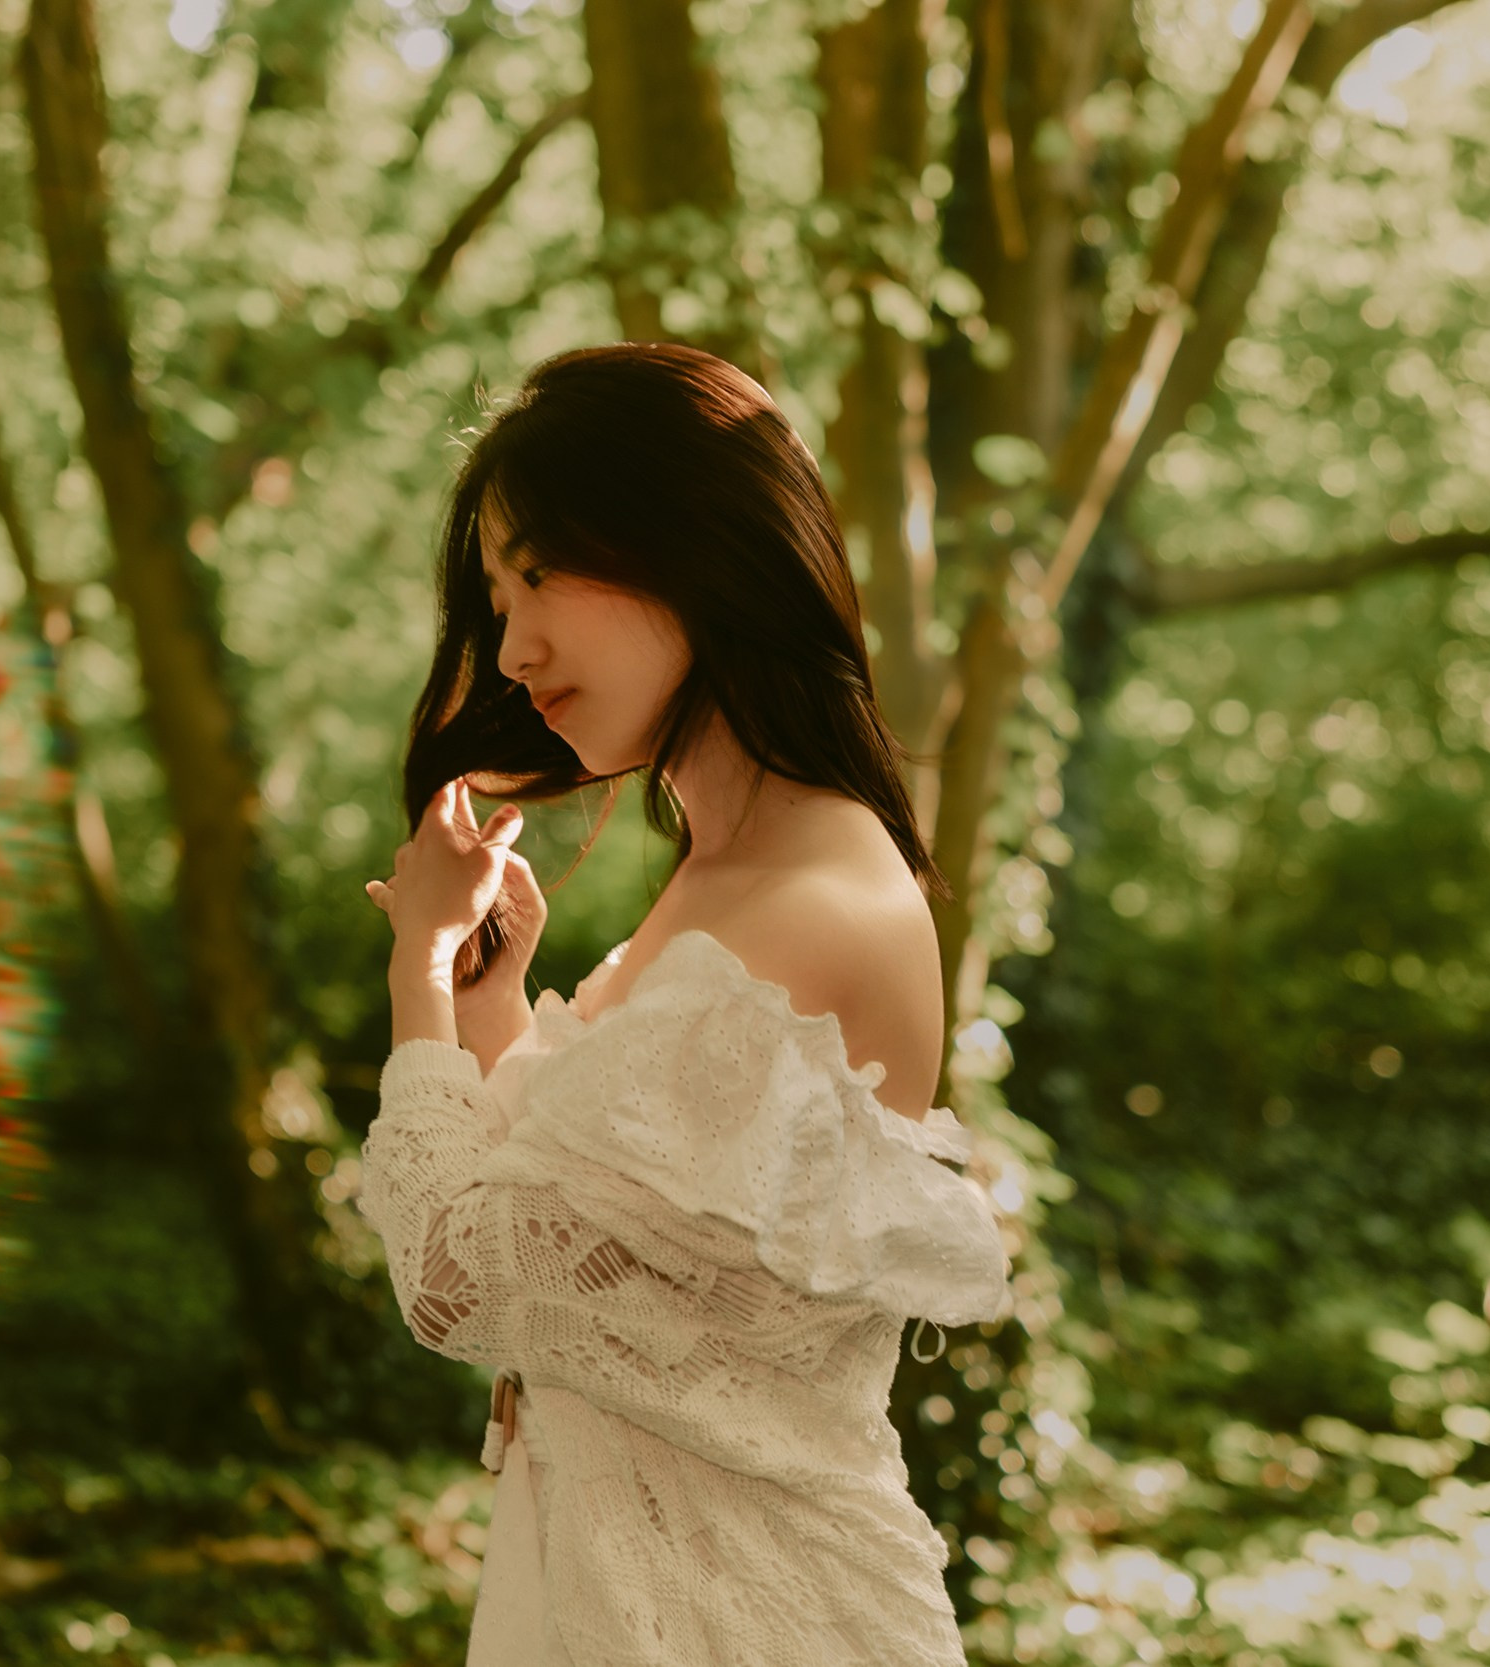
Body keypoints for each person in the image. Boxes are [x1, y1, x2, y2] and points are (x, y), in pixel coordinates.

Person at [357, 342, 1009, 1667]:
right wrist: (493, 1009)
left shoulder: (800, 901)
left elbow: (461, 1282)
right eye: (496, 597)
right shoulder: (736, 876)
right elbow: (622, 1246)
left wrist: (419, 975)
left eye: (539, 574)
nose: (514, 648)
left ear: (690, 545)